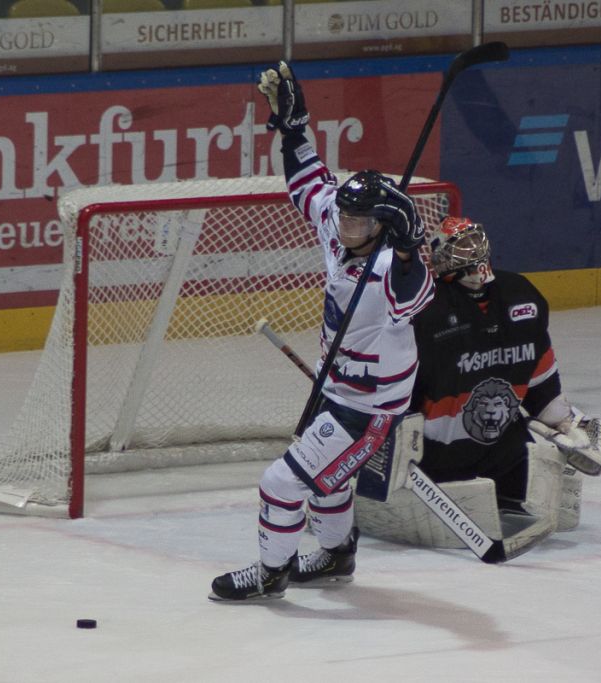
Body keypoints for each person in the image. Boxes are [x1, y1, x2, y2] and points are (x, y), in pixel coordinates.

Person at [209, 62, 434, 601]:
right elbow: (308, 181)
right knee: (327, 482)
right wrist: (294, 128)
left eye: (358, 221)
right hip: (336, 389)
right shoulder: (340, 223)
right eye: (345, 217)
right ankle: (336, 556)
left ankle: (271, 575)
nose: (344, 225)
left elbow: (416, 293)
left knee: (281, 482)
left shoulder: (392, 267)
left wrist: (409, 243)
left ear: (382, 224)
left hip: (369, 407)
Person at [408, 217, 601, 533]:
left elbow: (540, 384)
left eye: (474, 242)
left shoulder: (521, 295)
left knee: (526, 476)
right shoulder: (426, 311)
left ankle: (510, 493)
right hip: (437, 456)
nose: (472, 251)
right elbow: (400, 392)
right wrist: (393, 446)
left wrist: (568, 422)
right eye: (461, 246)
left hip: (504, 452)